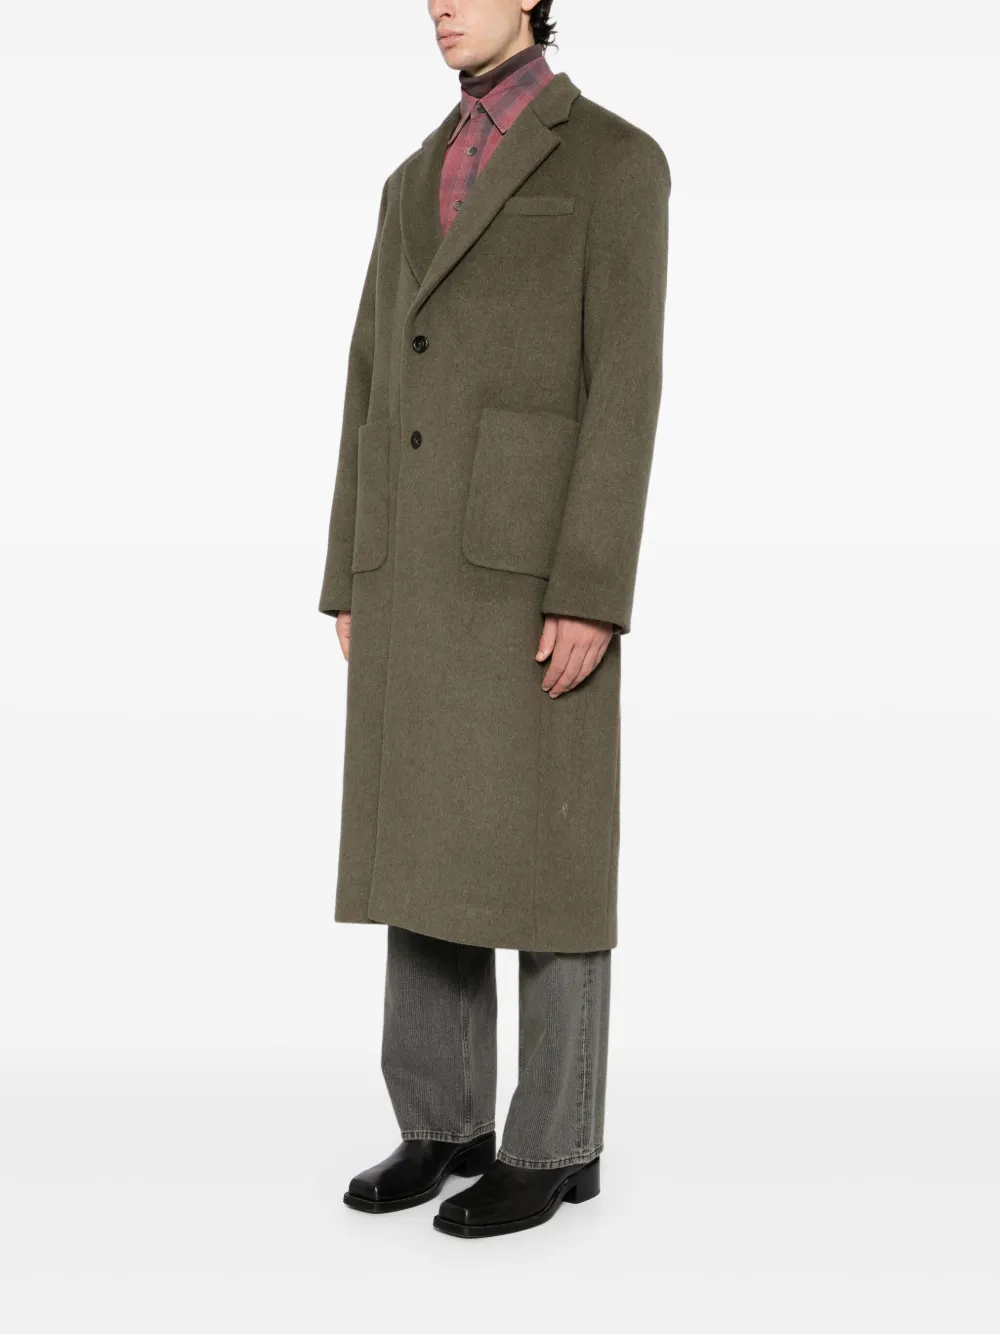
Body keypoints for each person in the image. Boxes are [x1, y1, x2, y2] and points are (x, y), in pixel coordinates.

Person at [319, 0, 670, 1239]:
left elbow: (626, 383)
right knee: (423, 840)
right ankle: (441, 1120)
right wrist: (351, 567)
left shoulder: (615, 161)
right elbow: (368, 377)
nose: (440, 4)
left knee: (545, 850)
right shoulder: (410, 176)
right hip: (411, 560)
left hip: (531, 565)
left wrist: (591, 585)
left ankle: (554, 1140)